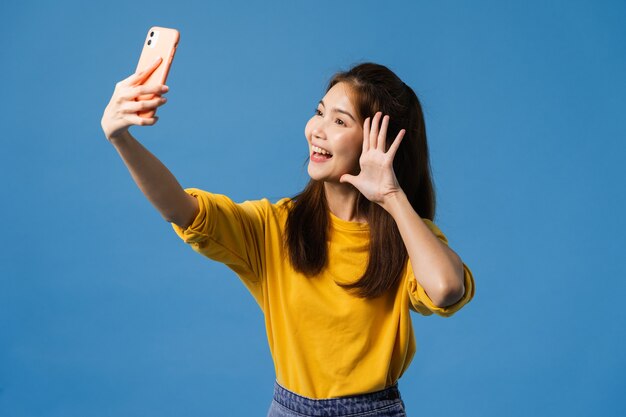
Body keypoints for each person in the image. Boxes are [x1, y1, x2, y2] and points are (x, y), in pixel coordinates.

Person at [101, 59, 476, 417]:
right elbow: (180, 210)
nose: (316, 129)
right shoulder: (275, 226)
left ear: (380, 145)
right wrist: (122, 140)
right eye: (319, 112)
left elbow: (445, 288)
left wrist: (393, 198)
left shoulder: (407, 237)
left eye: (340, 121)